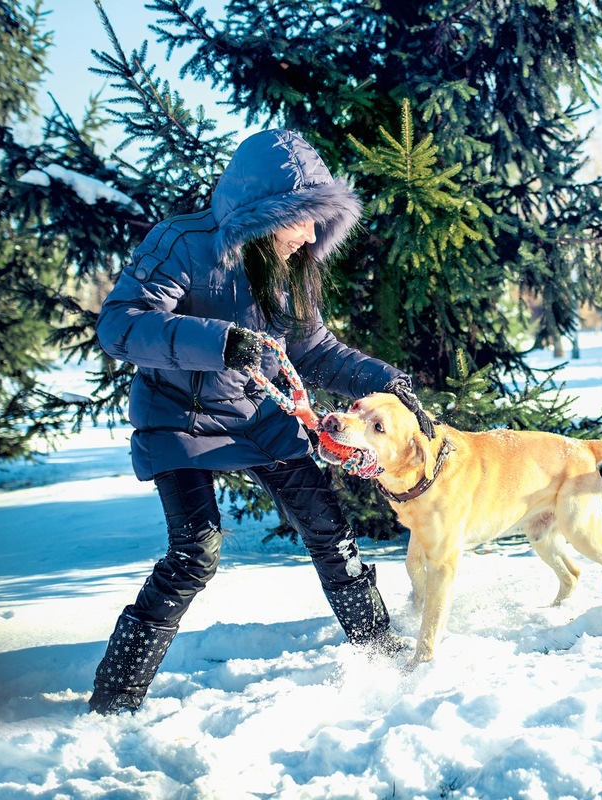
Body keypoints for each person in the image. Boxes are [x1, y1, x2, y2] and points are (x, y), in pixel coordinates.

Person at [88, 128, 433, 716]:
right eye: (299, 219)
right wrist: (222, 345)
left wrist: (383, 380)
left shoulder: (291, 267)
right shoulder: (182, 243)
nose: (308, 236)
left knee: (330, 531)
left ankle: (377, 650)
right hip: (180, 418)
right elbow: (120, 326)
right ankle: (115, 697)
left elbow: (314, 348)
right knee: (195, 554)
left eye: (319, 222)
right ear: (261, 212)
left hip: (259, 415)